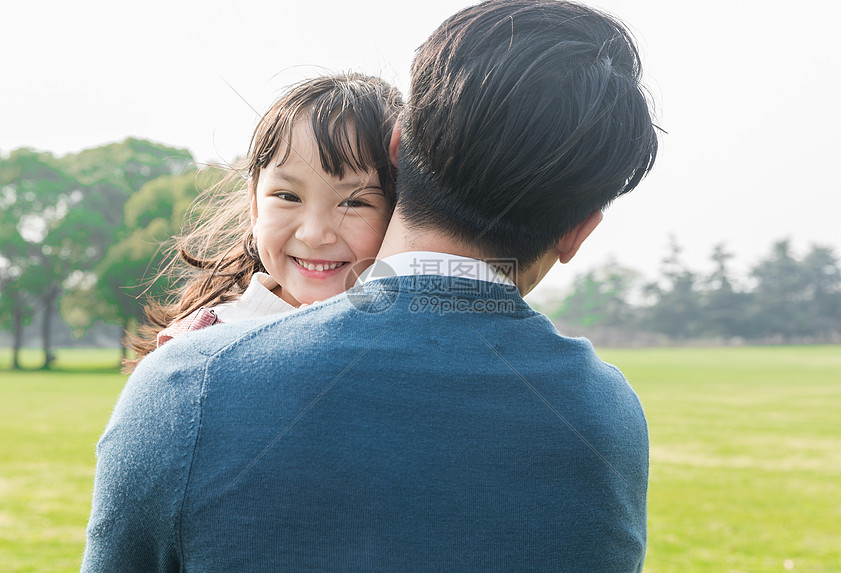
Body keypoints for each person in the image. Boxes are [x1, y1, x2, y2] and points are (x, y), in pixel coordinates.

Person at [82, 1, 659, 571]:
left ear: (398, 148)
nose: (315, 231)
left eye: (354, 200)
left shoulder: (187, 384)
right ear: (577, 234)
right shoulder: (608, 418)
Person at [125, 72, 402, 368]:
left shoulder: (414, 339)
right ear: (255, 206)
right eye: (288, 196)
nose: (313, 234)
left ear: (400, 214)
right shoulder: (202, 345)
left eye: (353, 202)